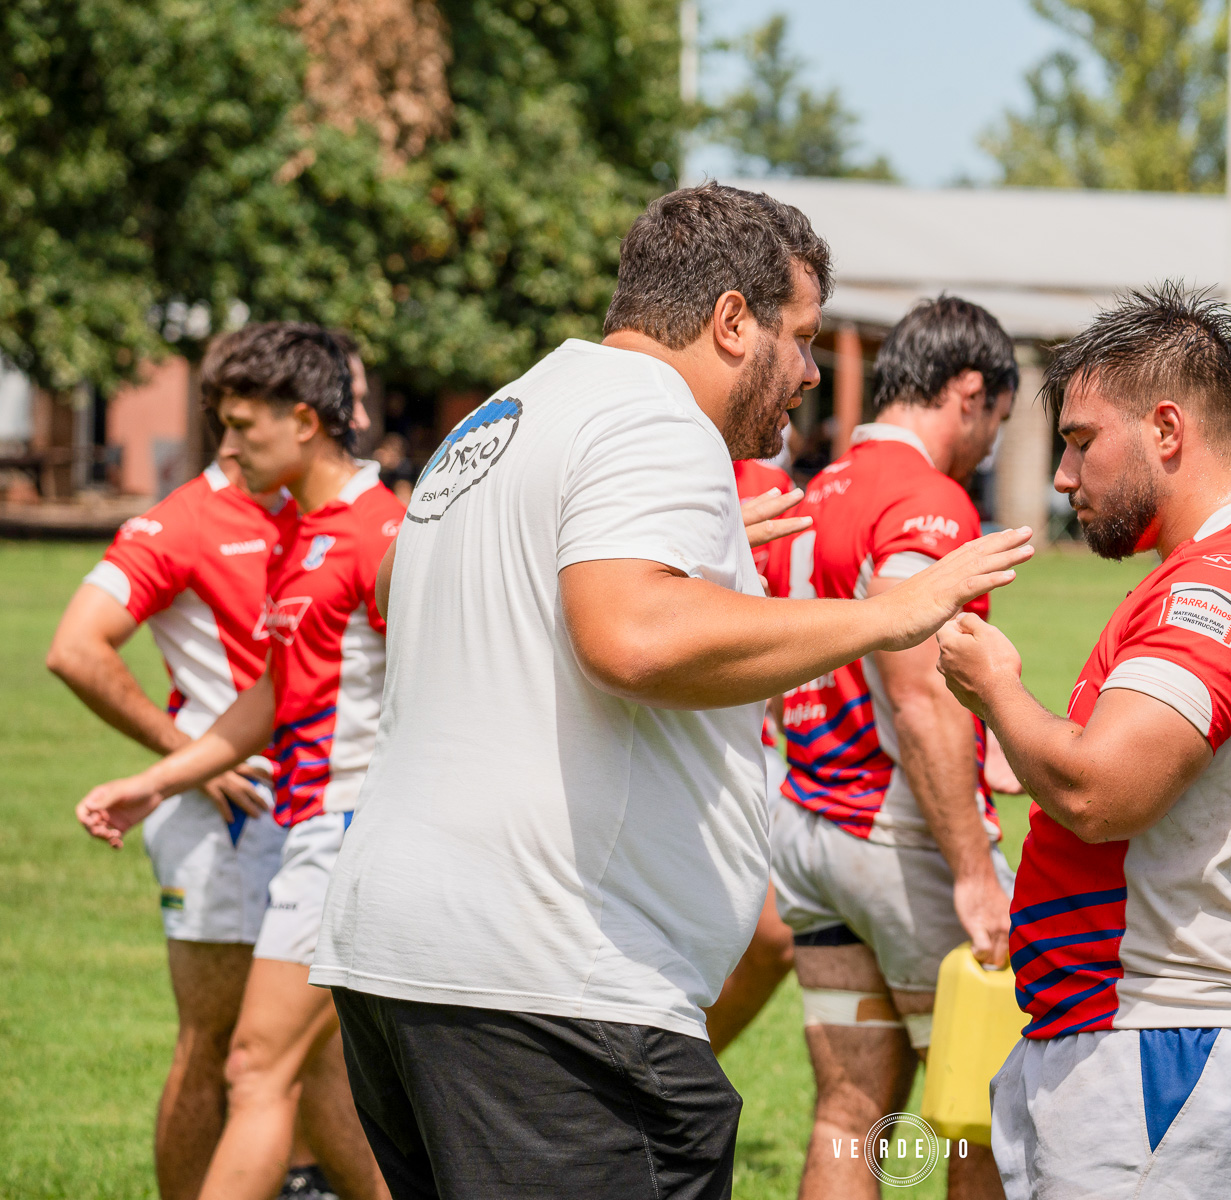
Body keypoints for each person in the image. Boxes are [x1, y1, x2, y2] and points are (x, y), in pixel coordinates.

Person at [304, 182, 1034, 1200]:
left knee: (853, 1108)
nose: (811, 373)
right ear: (732, 321)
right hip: (555, 980)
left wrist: (718, 555)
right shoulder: (656, 420)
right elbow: (633, 635)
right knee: (964, 1127)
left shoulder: (502, 417)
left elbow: (456, 597)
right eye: (802, 336)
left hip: (406, 966)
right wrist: (888, 617)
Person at [936, 283, 1231, 1200]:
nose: (1062, 477)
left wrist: (998, 688)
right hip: (1155, 1034)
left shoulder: (1226, 581)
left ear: (1167, 428)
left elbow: (1102, 793)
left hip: (1165, 1040)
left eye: (1082, 442)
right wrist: (1038, 745)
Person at [76, 322, 401, 1200]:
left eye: (242, 427)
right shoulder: (303, 535)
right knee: (294, 1067)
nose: (226, 447)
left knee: (255, 1065)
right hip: (310, 833)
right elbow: (269, 695)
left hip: (349, 836)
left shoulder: (384, 536)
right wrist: (155, 780)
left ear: (304, 421)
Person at [763, 295, 1018, 1200]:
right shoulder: (927, 503)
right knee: (979, 1118)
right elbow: (916, 696)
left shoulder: (818, 490)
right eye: (997, 422)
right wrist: (974, 870)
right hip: (900, 840)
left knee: (849, 1111)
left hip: (808, 830)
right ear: (969, 391)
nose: (989, 446)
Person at [46, 455, 296, 1200]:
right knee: (216, 1042)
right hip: (227, 819)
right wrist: (193, 759)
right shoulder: (182, 521)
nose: (349, 416)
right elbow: (74, 649)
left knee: (312, 1049)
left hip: (320, 812)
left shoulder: (329, 507)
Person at [700, 453, 804, 1056]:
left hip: (745, 755)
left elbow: (791, 633)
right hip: (633, 747)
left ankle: (670, 1084)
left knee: (774, 933)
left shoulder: (772, 488)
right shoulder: (635, 456)